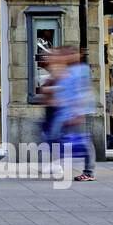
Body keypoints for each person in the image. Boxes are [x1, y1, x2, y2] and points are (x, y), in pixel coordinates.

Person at [43, 47, 96, 182]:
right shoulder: (68, 70)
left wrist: (79, 113)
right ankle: (56, 164)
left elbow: (83, 92)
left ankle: (89, 172)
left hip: (77, 111)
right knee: (56, 136)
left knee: (84, 142)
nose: (68, 57)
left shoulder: (82, 70)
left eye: (72, 54)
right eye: (67, 54)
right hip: (65, 111)